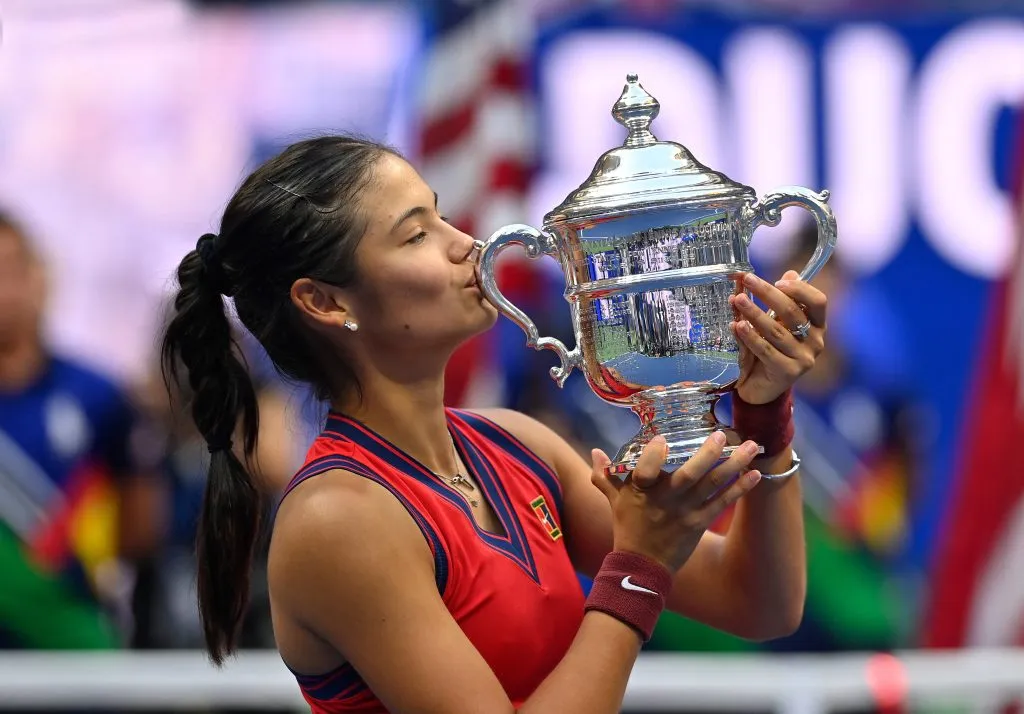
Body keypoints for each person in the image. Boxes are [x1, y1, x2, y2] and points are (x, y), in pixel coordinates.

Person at [161, 135, 828, 713]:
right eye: (418, 233)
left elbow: (759, 603)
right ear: (325, 302)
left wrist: (763, 412)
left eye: (444, 216)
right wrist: (639, 566)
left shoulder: (516, 445)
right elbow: (644, 579)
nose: (468, 245)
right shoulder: (339, 518)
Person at [0, 210, 163, 649]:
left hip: (74, 643)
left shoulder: (99, 395)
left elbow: (140, 524)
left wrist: (83, 554)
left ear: (39, 278)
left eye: (11, 269)